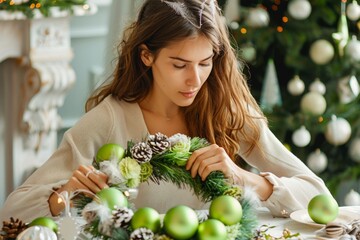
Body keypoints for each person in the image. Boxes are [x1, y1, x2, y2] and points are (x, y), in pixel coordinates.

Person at [0, 0, 331, 223]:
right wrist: (65, 196)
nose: (195, 79)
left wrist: (244, 178)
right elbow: (12, 211)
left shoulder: (227, 110)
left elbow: (318, 194)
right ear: (147, 56)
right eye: (179, 64)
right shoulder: (110, 119)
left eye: (205, 63)